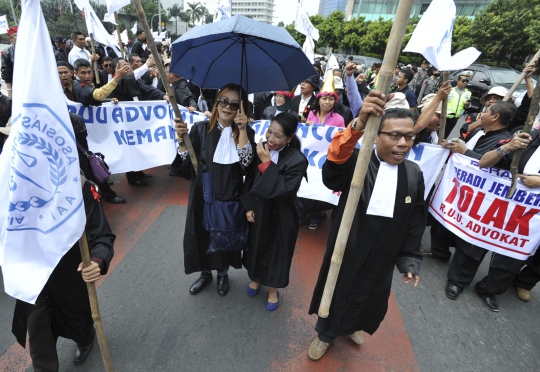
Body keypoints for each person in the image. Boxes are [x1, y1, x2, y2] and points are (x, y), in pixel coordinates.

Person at [307, 93, 426, 361]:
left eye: (408, 136)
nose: (403, 143)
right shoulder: (359, 162)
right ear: (376, 135)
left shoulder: (414, 173)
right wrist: (358, 125)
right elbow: (332, 171)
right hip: (348, 248)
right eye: (394, 135)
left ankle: (350, 327)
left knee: (369, 296)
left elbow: (416, 220)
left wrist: (409, 259)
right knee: (337, 291)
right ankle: (325, 334)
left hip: (383, 255)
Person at [11, 176, 115, 370]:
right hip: (32, 272)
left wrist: (96, 260)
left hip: (68, 266)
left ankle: (84, 337)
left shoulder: (77, 183)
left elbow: (100, 233)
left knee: (77, 315)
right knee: (37, 326)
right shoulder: (9, 188)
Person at [171, 83, 255, 297]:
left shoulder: (246, 132)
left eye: (235, 104)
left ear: (241, 109)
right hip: (202, 195)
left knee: (225, 236)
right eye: (224, 101)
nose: (228, 107)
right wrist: (182, 141)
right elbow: (186, 167)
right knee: (201, 234)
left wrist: (243, 130)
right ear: (217, 103)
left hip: (230, 197)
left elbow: (246, 166)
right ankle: (205, 273)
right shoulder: (200, 129)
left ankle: (223, 274)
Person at [441, 102, 517, 311]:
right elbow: (464, 133)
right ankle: (441, 252)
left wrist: (465, 152)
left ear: (495, 118)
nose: (482, 113)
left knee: (474, 241)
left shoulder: (506, 141)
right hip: (460, 191)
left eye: (487, 111)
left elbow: (490, 165)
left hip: (483, 200)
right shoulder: (482, 131)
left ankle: (458, 281)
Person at [242, 113, 308, 311]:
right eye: (269, 132)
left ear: (288, 139)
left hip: (283, 216)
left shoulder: (297, 160)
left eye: (278, 136)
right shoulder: (261, 149)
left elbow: (282, 190)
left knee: (277, 253)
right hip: (260, 211)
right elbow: (251, 181)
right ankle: (256, 279)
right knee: (257, 246)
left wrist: (266, 163)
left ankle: (272, 289)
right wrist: (249, 206)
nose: (271, 138)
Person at [476, 130, 540, 306]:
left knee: (514, 254)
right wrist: (508, 147)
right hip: (503, 204)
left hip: (532, 219)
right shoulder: (524, 137)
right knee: (478, 239)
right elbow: (487, 162)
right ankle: (458, 280)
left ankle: (489, 289)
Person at [444, 72, 472, 138]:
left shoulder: (468, 93)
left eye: (467, 81)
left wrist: (467, 105)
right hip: (445, 116)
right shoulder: (450, 90)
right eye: (463, 81)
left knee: (447, 134)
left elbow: (467, 107)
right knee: (439, 133)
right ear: (458, 81)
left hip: (455, 117)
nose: (465, 82)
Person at [1, 26, 18, 98]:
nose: (12, 39)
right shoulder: (7, 52)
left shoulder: (35, 48)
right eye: (10, 37)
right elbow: (6, 73)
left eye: (14, 35)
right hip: (19, 87)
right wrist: (10, 93)